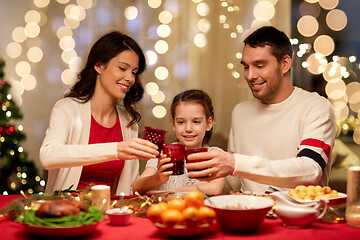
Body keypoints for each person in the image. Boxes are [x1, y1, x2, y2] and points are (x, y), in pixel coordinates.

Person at [186, 26, 336, 192]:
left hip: (296, 214)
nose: (250, 76)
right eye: (246, 66)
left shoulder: (315, 107)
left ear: (285, 64)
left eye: (259, 65)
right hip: (247, 212)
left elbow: (310, 170)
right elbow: (235, 181)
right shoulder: (240, 112)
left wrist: (234, 163)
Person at [40, 31, 159, 195]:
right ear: (99, 66)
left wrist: (160, 177)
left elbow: (130, 186)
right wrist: (116, 150)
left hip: (109, 213)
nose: (130, 78)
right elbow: (48, 156)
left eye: (134, 72)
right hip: (67, 213)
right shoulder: (67, 109)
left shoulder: (128, 121)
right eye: (123, 68)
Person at [132, 89, 224, 195]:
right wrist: (158, 178)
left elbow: (215, 188)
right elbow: (136, 188)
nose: (188, 128)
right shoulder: (162, 154)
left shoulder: (215, 155)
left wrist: (169, 192)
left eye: (196, 122)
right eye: (181, 122)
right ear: (173, 124)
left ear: (209, 123)